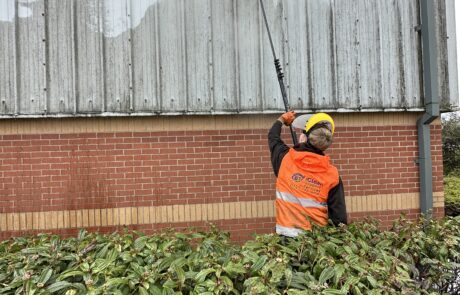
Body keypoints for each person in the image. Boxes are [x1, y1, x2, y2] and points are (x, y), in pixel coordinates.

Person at [268, 111, 347, 237]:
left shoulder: (285, 159)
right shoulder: (332, 175)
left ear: (303, 138)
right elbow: (339, 218)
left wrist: (282, 119)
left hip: (285, 241)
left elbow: (273, 137)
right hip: (316, 242)